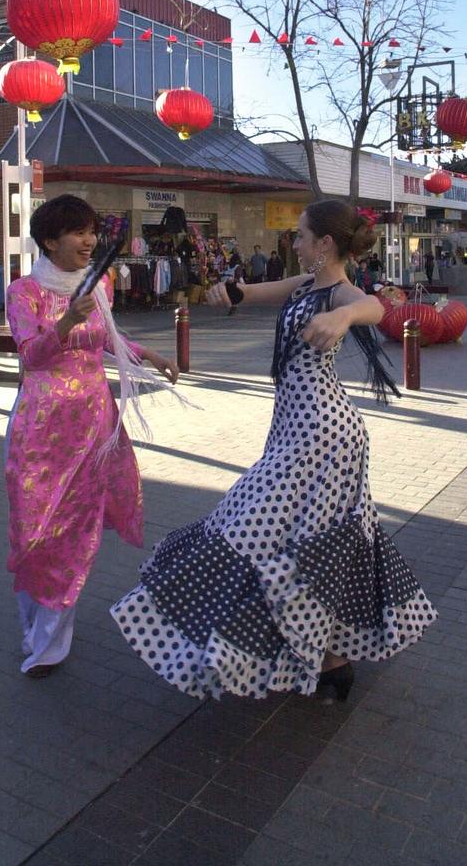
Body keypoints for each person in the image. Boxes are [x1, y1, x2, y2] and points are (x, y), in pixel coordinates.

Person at [110, 199, 437, 702]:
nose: (296, 241)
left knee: (253, 528)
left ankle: (290, 653)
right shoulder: (306, 284)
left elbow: (376, 306)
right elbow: (254, 291)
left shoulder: (339, 293)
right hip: (295, 432)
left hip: (323, 438)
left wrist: (347, 316)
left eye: (302, 235)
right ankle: (333, 659)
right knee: (315, 543)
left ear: (325, 245)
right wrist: (227, 290)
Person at [5, 194, 179, 678]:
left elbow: (108, 341)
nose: (89, 241)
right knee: (33, 531)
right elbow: (31, 356)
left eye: (91, 232)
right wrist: (66, 320)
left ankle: (49, 644)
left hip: (93, 427)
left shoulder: (99, 281)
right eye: (78, 233)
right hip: (40, 430)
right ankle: (34, 625)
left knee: (74, 532)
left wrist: (152, 355)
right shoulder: (25, 292)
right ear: (49, 240)